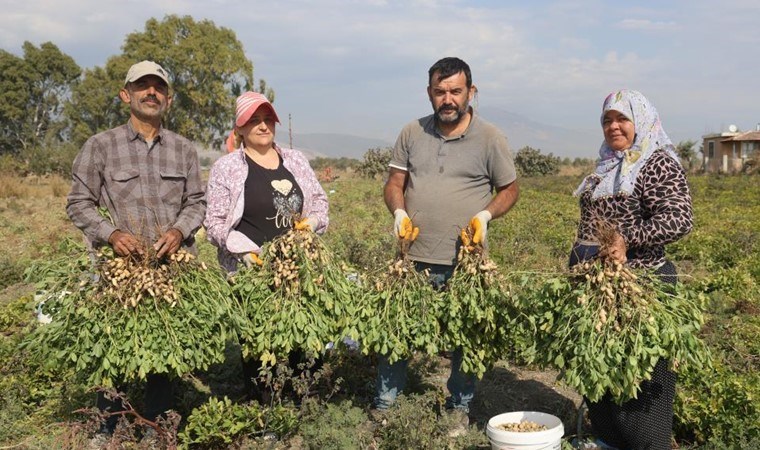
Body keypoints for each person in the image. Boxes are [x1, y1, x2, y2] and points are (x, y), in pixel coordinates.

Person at [379, 57, 519, 425]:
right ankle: (386, 407)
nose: (448, 99)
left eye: (456, 91)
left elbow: (510, 189)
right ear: (429, 93)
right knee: (397, 332)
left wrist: (486, 215)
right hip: (412, 258)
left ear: (471, 92)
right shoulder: (412, 132)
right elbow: (395, 183)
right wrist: (399, 212)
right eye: (440, 92)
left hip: (466, 262)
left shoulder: (490, 138)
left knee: (464, 339)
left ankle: (459, 407)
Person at [66, 60, 206, 429]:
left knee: (161, 351)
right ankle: (106, 427)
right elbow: (78, 203)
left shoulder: (184, 149)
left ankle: (158, 426)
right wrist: (111, 235)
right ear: (125, 95)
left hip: (170, 270)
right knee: (112, 348)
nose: (151, 93)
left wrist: (178, 232)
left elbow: (197, 202)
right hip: (119, 272)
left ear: (169, 99)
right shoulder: (100, 146)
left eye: (158, 87)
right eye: (142, 86)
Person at [569, 89, 694, 449]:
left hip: (644, 284)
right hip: (601, 286)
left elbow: (679, 219)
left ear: (640, 121)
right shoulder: (605, 166)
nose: (613, 126)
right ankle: (610, 440)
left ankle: (647, 444)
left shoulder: (656, 163)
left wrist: (627, 238)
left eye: (622, 118)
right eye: (607, 120)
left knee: (641, 374)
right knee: (601, 371)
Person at [203, 91, 328, 399]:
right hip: (252, 274)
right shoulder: (227, 167)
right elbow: (215, 221)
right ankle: (266, 411)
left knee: (305, 338)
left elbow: (320, 201)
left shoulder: (295, 160)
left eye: (267, 119)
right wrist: (242, 250)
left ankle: (304, 403)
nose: (262, 126)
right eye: (253, 121)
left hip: (299, 267)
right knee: (260, 345)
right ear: (240, 129)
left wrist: (312, 223)